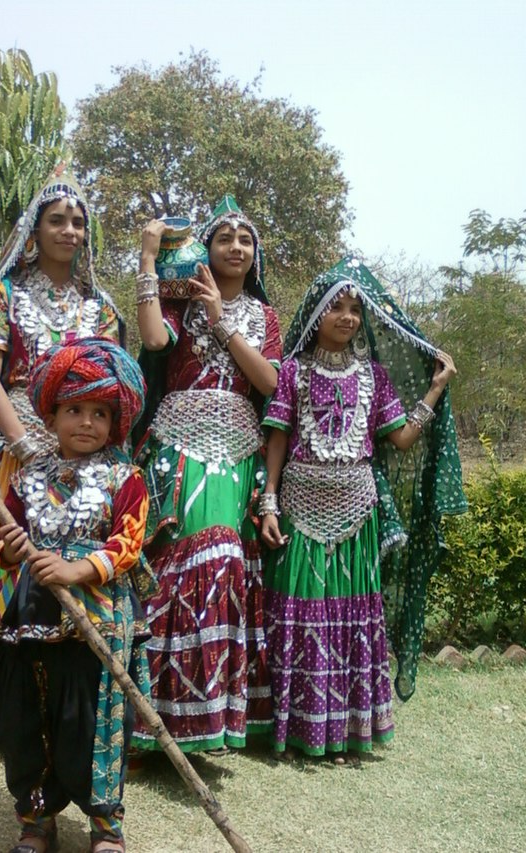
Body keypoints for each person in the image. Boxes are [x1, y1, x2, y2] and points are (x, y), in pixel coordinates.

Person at [260, 256, 466, 763]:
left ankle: (347, 734)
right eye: (337, 307)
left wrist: (437, 388)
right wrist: (268, 501)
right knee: (298, 616)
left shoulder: (373, 376)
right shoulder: (292, 372)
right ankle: (294, 731)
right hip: (300, 511)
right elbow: (278, 438)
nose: (348, 317)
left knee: (352, 619)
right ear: (316, 314)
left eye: (356, 309)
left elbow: (400, 439)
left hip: (357, 515)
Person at [0, 165, 123, 717]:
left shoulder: (102, 307)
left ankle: (66, 693)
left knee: (79, 555)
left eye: (78, 222)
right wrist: (26, 446)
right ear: (34, 230)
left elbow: (108, 385)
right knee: (8, 558)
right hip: (12, 446)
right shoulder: (4, 294)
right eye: (56, 220)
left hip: (85, 450)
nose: (69, 230)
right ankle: (2, 694)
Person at [0, 337, 149, 853]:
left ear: (116, 422)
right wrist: (11, 549)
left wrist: (77, 568)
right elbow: (6, 542)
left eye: (100, 413)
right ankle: (37, 823)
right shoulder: (28, 477)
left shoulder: (128, 478)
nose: (86, 423)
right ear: (51, 413)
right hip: (30, 619)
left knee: (93, 725)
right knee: (31, 719)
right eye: (74, 409)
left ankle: (106, 830)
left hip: (95, 625)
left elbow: (128, 543)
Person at [130, 196, 282, 753]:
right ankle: (154, 723)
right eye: (225, 238)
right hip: (179, 451)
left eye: (246, 240)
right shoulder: (180, 303)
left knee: (226, 568)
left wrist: (223, 325)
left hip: (238, 456)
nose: (236, 247)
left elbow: (270, 384)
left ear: (254, 255)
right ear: (208, 249)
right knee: (180, 566)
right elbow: (150, 341)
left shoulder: (264, 318)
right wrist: (149, 261)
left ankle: (215, 721)